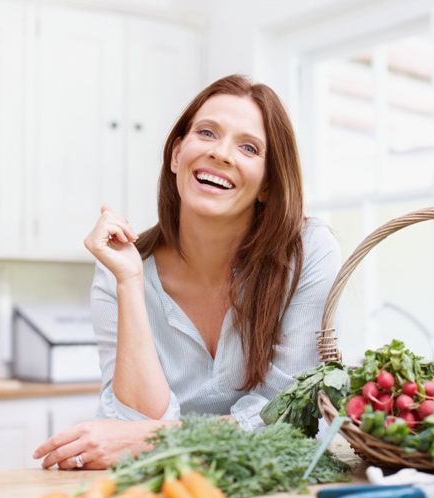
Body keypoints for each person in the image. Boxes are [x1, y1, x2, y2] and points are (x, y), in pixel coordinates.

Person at [32, 74, 341, 470]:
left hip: (257, 481)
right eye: (207, 133)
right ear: (177, 154)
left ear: (267, 184)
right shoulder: (120, 268)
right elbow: (133, 424)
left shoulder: (308, 252)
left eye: (248, 147)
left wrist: (159, 439)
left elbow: (289, 419)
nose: (222, 153)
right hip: (155, 483)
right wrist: (129, 282)